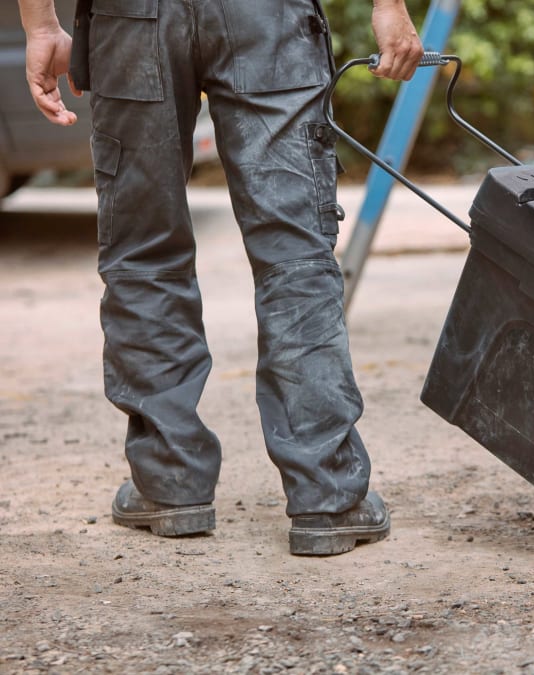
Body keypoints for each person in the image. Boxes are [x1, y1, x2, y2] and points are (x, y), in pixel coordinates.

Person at [17, 0, 424, 556]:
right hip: (266, 19)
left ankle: (170, 483)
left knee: (144, 253)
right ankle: (328, 494)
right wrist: (389, 7)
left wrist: (41, 25)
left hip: (132, 20)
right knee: (294, 256)